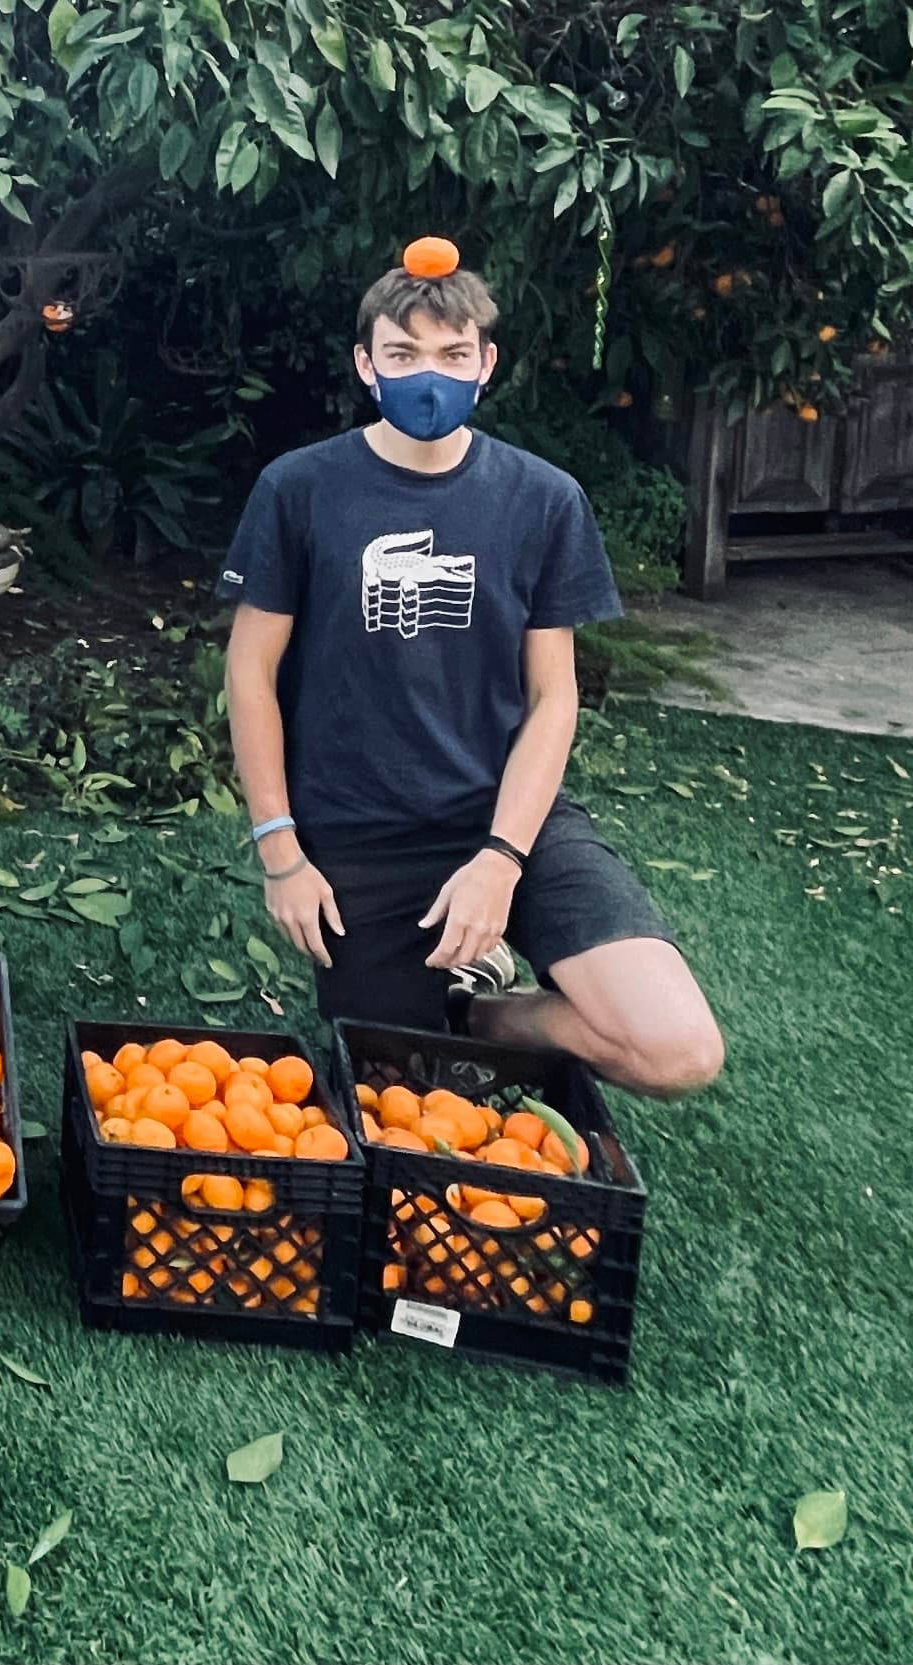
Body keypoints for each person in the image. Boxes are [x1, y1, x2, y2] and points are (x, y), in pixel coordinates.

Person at [217, 242, 723, 1098]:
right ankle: (442, 1017)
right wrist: (282, 851)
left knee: (676, 1051)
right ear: (366, 365)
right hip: (360, 838)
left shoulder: (543, 499)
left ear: (486, 364)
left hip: (508, 816)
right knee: (398, 1093)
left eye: (453, 355)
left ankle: (481, 1013)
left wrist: (501, 857)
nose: (429, 376)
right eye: (403, 352)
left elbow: (553, 696)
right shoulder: (298, 489)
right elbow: (250, 673)